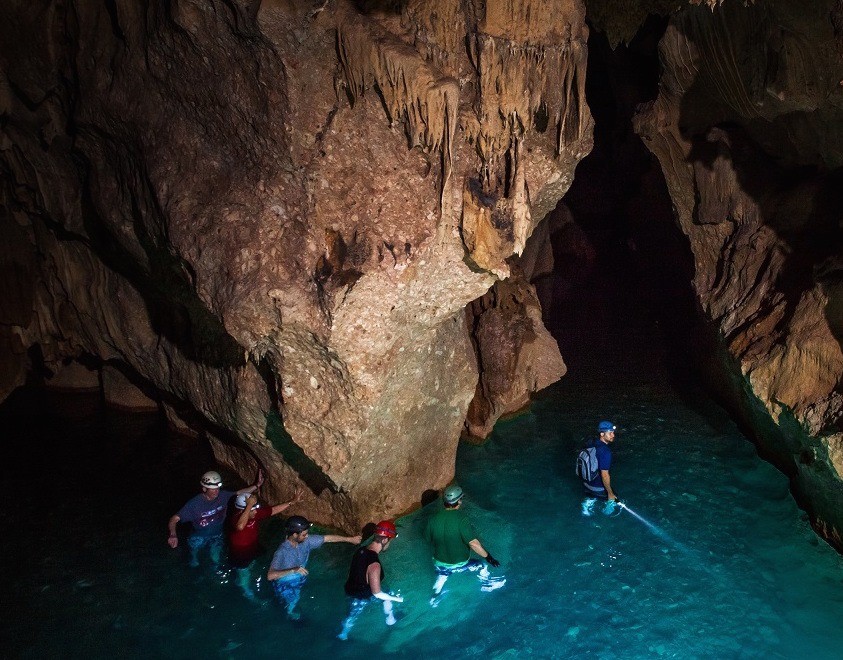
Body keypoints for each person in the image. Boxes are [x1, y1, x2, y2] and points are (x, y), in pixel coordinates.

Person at [267, 515, 361, 620]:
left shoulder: (306, 541)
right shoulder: (282, 552)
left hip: (299, 576)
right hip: (286, 584)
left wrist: (350, 539)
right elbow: (270, 576)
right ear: (294, 535)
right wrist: (293, 570)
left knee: (296, 602)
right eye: (304, 534)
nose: (307, 536)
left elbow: (327, 538)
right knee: (290, 609)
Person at [424, 484, 505, 606]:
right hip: (459, 563)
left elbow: (428, 539)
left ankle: (435, 596)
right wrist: (489, 558)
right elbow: (473, 544)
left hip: (438, 562)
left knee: (443, 572)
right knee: (481, 565)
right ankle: (486, 584)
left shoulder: (432, 519)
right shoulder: (462, 519)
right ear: (459, 501)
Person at [167, 469, 263, 568]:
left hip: (217, 535)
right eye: (213, 489)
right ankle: (194, 560)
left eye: (217, 488)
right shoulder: (194, 504)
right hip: (199, 536)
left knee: (216, 561)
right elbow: (174, 519)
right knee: (194, 560)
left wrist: (257, 485)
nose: (216, 491)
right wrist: (173, 534)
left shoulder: (223, 496)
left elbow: (238, 493)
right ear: (204, 489)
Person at [227, 488, 304, 599]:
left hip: (253, 546)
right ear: (243, 510)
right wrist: (249, 506)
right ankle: (248, 593)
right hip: (240, 553)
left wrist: (292, 501)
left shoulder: (254, 514)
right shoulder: (235, 518)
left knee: (263, 556)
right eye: (252, 510)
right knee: (244, 573)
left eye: (254, 509)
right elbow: (240, 526)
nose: (255, 512)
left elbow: (273, 510)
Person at [337, 520, 403, 641]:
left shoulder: (360, 550)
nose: (389, 544)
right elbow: (377, 594)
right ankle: (390, 621)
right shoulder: (375, 565)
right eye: (390, 540)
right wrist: (398, 599)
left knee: (351, 615)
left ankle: (342, 634)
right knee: (388, 595)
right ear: (384, 540)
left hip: (350, 590)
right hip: (363, 595)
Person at [581, 420, 619, 516]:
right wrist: (610, 494)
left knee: (591, 496)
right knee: (614, 498)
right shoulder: (605, 452)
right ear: (602, 434)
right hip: (597, 487)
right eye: (610, 433)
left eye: (613, 432)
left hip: (586, 483)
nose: (613, 435)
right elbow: (605, 475)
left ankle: (586, 507)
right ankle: (606, 516)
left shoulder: (591, 442)